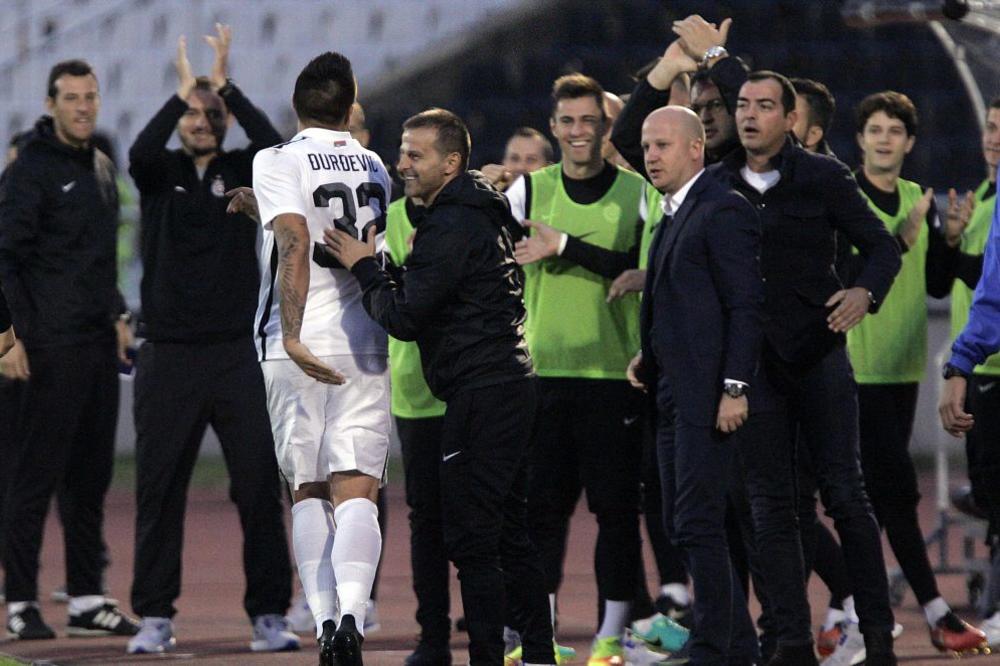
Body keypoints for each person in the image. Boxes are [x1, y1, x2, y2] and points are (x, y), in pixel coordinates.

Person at [324, 108, 556, 666]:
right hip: (506, 385)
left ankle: (487, 657)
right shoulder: (472, 211)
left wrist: (365, 268)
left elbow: (404, 318)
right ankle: (540, 656)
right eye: (402, 151)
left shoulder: (448, 224)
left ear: (451, 162)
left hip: (482, 392)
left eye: (415, 154)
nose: (402, 163)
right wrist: (377, 265)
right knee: (506, 530)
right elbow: (439, 289)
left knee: (473, 539)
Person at [124, 26, 297, 655]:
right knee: (159, 488)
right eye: (193, 114)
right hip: (167, 353)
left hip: (235, 354)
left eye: (212, 113)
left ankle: (269, 615)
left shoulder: (242, 169)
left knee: (255, 486)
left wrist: (227, 85)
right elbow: (138, 148)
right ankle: (154, 617)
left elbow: (277, 146)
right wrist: (180, 93)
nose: (202, 121)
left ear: (225, 121)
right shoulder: (158, 170)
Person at [251, 51, 391, 666]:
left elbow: (296, 236)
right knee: (358, 489)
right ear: (350, 104)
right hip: (365, 337)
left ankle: (328, 620)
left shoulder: (276, 158)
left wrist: (292, 333)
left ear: (295, 103)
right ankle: (354, 618)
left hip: (300, 341)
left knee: (307, 491)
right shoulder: (377, 164)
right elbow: (326, 219)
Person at [836, 90, 987, 657]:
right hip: (854, 369)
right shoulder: (843, 197)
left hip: (900, 373)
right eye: (874, 129)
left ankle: (847, 613)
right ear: (860, 138)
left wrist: (947, 240)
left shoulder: (918, 201)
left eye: (894, 131)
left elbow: (933, 285)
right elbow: (845, 270)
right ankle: (930, 610)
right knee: (890, 495)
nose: (883, 139)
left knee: (873, 499)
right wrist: (901, 237)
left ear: (909, 142)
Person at [505, 73, 645, 665]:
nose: (578, 131)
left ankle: (612, 637)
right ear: (555, 125)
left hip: (616, 379)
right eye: (568, 121)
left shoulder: (640, 192)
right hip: (544, 379)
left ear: (606, 127)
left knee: (615, 515)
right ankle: (542, 638)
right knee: (542, 516)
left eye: (590, 120)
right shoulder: (527, 193)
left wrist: (563, 247)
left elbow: (635, 264)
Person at [0, 59, 138, 640]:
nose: (83, 106)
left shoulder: (102, 168)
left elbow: (97, 262)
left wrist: (117, 315)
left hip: (94, 346)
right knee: (31, 480)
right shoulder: (29, 171)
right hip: (45, 347)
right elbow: (4, 258)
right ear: (51, 102)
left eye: (90, 96)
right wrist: (6, 339)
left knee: (89, 480)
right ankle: (21, 602)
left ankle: (86, 598)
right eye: (71, 97)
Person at [626, 105, 764, 665]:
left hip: (707, 397)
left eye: (661, 145)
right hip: (672, 390)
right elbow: (685, 302)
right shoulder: (675, 212)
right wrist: (650, 352)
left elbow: (745, 304)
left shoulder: (722, 208)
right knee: (683, 522)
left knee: (698, 522)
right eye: (645, 146)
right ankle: (740, 644)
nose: (650, 155)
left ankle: (715, 645)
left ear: (694, 148)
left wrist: (735, 386)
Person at [941, 98, 1000, 650]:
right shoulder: (985, 199)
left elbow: (992, 289)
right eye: (990, 127)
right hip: (987, 366)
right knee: (989, 487)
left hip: (984, 360)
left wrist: (959, 361)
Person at [480, 126, 554, 192]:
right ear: (503, 163)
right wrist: (485, 195)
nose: (520, 167)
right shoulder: (491, 202)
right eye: (514, 159)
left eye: (531, 160)